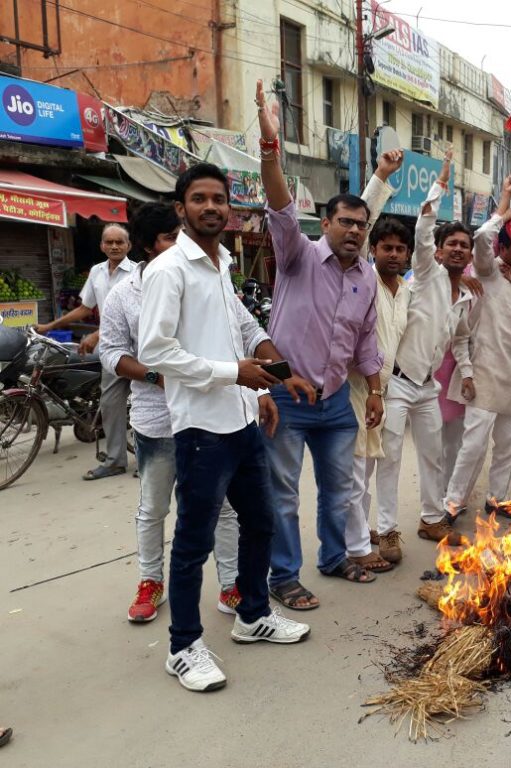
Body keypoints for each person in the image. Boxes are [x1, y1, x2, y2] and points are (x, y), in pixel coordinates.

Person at [139, 163, 311, 692]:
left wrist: (270, 380)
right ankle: (183, 647)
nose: (211, 207)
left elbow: (241, 325)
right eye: (200, 198)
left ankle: (252, 616)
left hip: (240, 420)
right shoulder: (168, 270)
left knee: (260, 523)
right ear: (181, 208)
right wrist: (233, 374)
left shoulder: (221, 263)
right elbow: (155, 351)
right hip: (200, 429)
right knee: (193, 543)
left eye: (219, 199)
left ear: (229, 209)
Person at [257, 79, 389, 605]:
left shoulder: (367, 277)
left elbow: (365, 340)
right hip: (288, 397)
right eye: (345, 222)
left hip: (335, 402)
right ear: (327, 222)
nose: (354, 231)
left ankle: (334, 558)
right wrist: (270, 148)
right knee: (283, 496)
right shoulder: (299, 255)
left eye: (361, 225)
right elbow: (280, 207)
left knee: (339, 491)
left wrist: (374, 390)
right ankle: (283, 577)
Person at [100, 203, 250, 623]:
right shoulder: (124, 296)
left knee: (222, 505)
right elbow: (112, 353)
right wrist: (157, 377)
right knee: (154, 506)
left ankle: (231, 584)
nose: (182, 243)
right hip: (158, 419)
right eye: (171, 237)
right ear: (148, 246)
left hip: (209, 412)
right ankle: (150, 581)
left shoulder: (208, 278)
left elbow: (242, 329)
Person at [376, 148, 473, 549]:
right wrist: (442, 181)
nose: (458, 249)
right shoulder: (428, 272)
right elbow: (423, 225)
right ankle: (386, 530)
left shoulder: (465, 296)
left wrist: (467, 373)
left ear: (469, 254)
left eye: (464, 245)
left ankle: (432, 519)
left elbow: (460, 339)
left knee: (433, 455)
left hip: (427, 386)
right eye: (452, 243)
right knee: (390, 457)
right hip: (397, 383)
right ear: (440, 250)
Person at [444, 172, 511, 517]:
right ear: (502, 248)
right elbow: (480, 236)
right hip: (482, 372)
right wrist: (504, 205)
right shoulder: (488, 270)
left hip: (508, 375)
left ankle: (496, 498)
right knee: (473, 445)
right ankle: (452, 504)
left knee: (508, 444)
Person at [37, 223, 135, 480]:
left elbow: (135, 315)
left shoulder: (137, 273)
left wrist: (96, 334)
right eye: (109, 242)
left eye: (119, 242)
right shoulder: (97, 272)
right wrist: (50, 326)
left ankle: (151, 458)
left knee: (146, 404)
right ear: (102, 245)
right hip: (112, 350)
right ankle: (115, 461)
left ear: (129, 246)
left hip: (138, 348)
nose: (114, 246)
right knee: (110, 404)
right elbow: (85, 308)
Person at [346, 216, 412, 567]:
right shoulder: (364, 280)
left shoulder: (406, 291)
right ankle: (356, 548)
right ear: (372, 249)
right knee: (357, 470)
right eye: (387, 248)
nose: (394, 254)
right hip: (356, 385)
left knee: (368, 465)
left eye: (400, 249)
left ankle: (358, 532)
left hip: (382, 389)